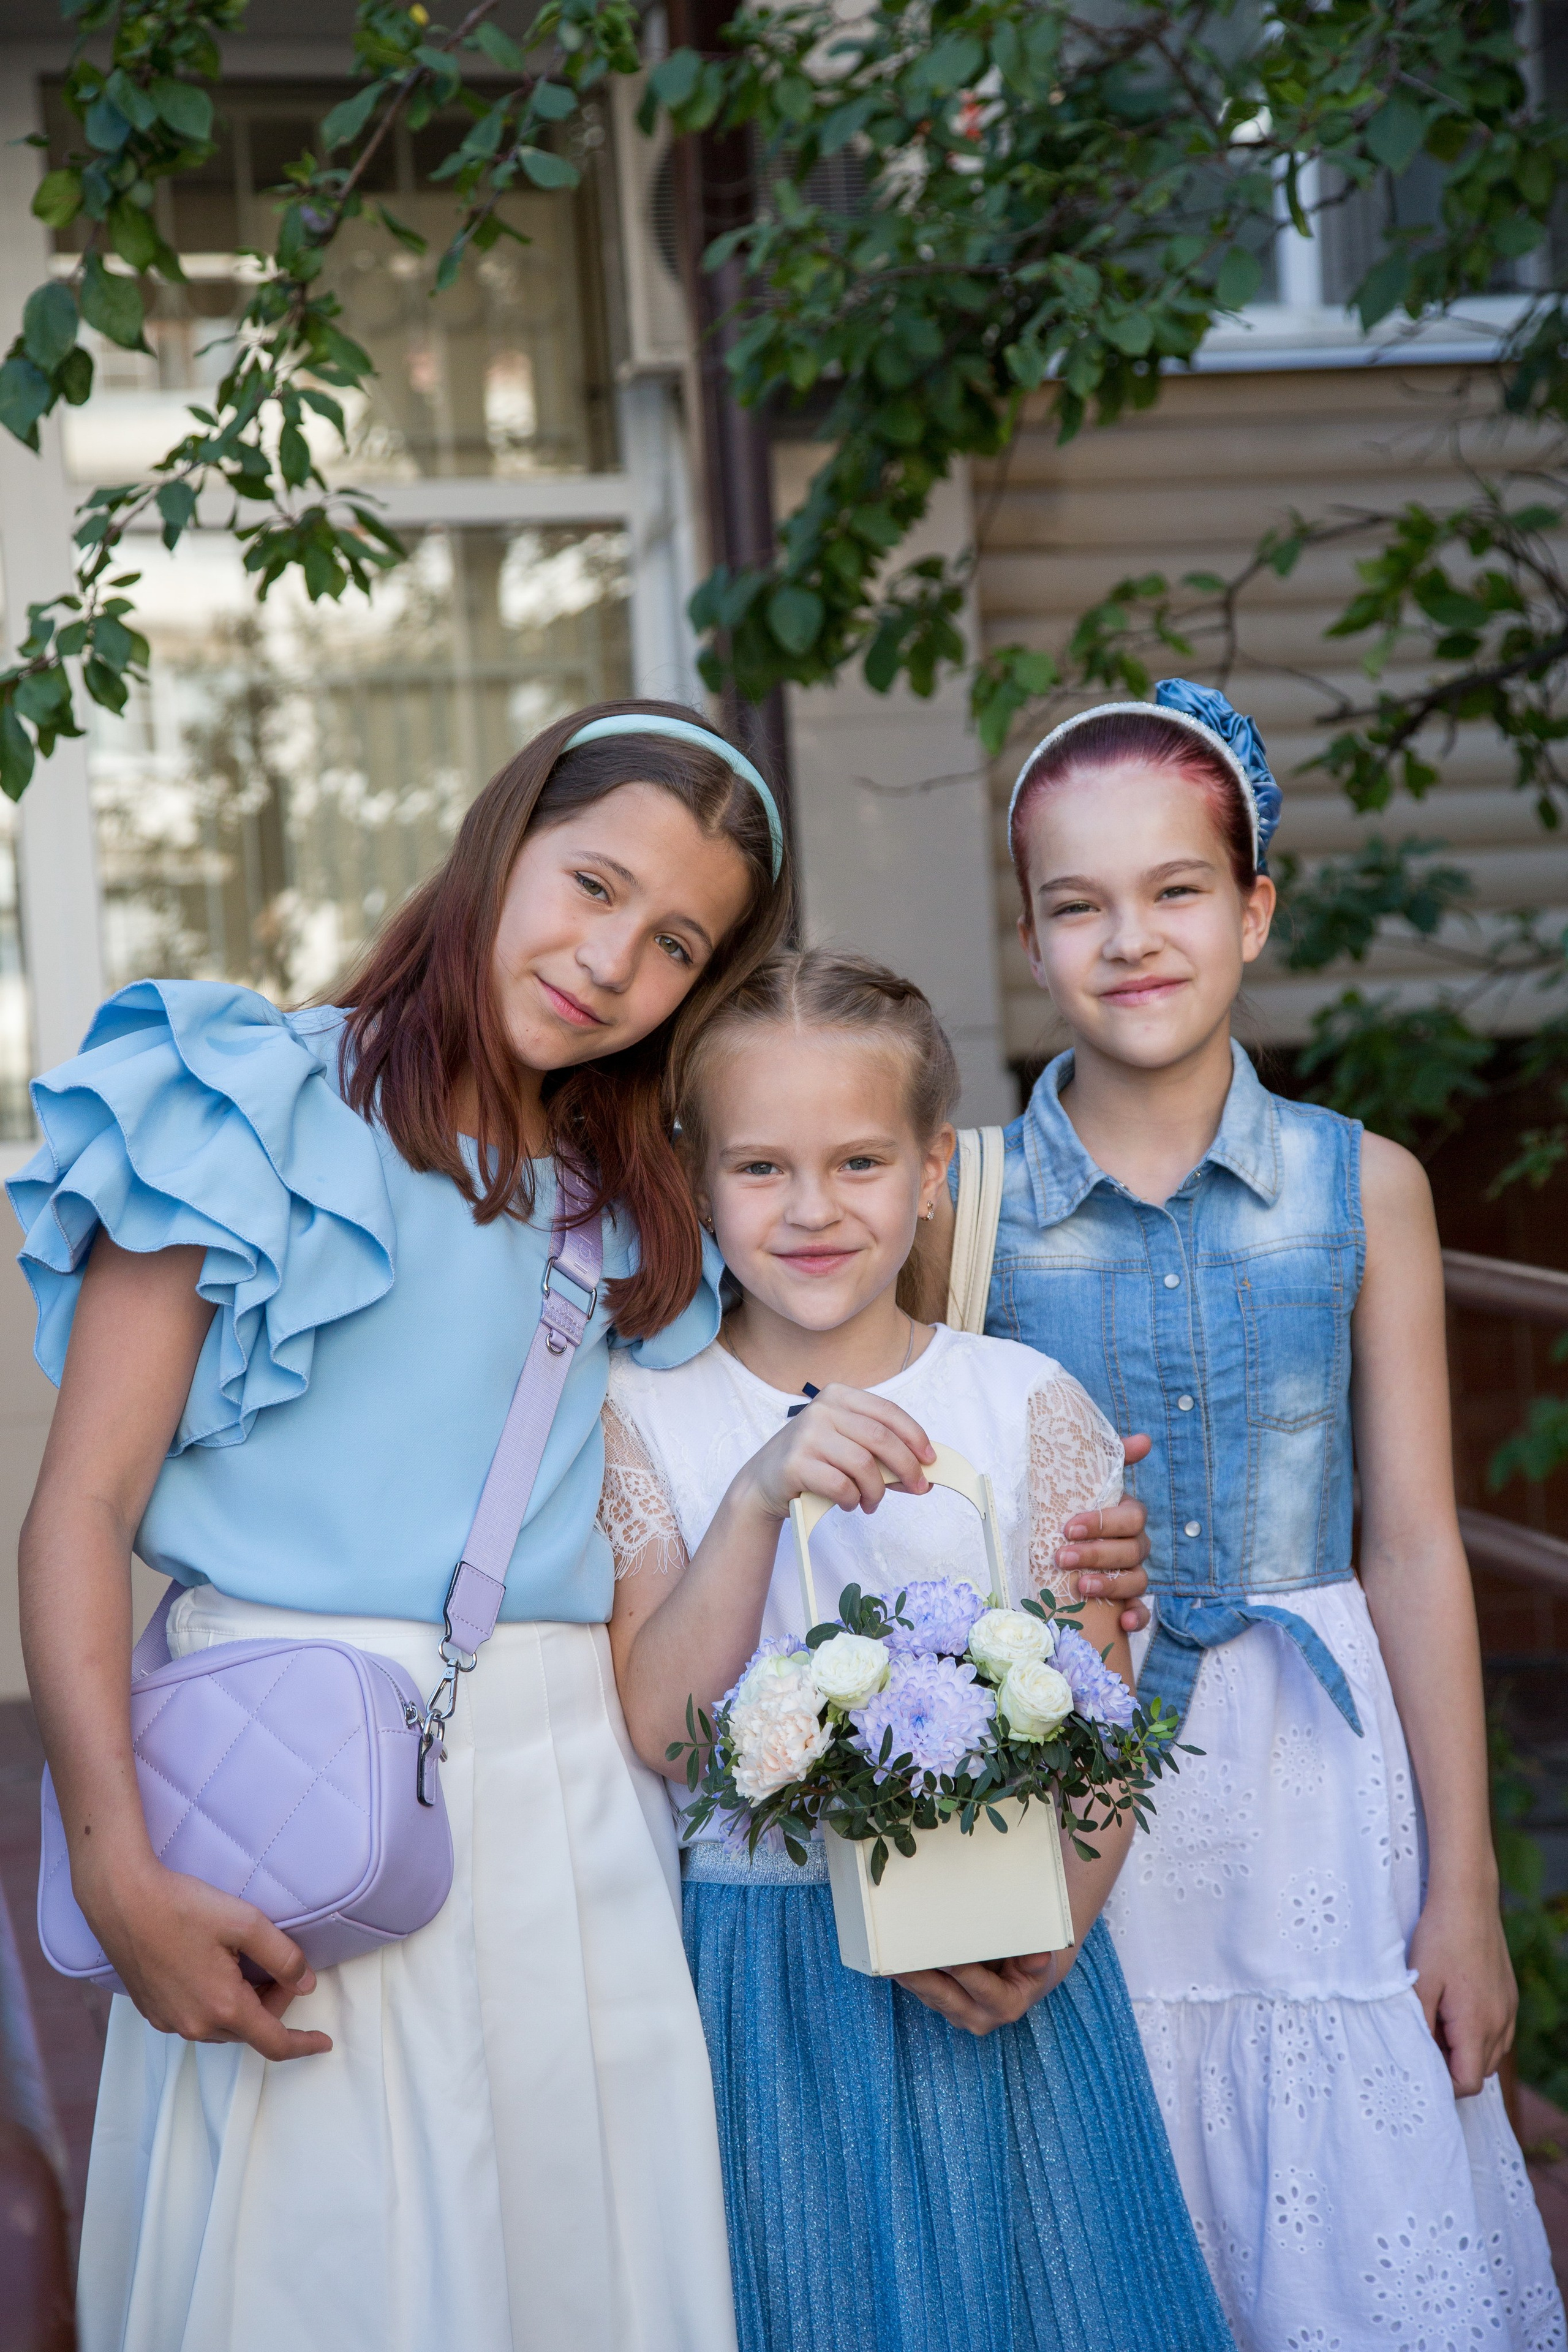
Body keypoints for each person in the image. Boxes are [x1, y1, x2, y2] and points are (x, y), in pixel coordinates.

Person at [10, 701, 796, 2352]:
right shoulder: (243, 1106)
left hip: (575, 1816)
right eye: (589, 885)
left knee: (578, 2267)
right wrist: (110, 1866)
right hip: (289, 1787)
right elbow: (79, 1508)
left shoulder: (637, 1205)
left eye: (672, 945)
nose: (608, 961)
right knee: (325, 2267)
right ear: (503, 840)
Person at [938, 680, 1562, 2350]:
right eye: (1078, 905)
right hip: (1081, 1770)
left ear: (1255, 908)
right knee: (1120, 2151)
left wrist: (1467, 1889)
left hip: (1313, 1773)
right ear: (1030, 935)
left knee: (1343, 2204)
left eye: (1177, 890)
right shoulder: (965, 1205)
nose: (1129, 938)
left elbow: (1417, 1543)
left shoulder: (1368, 1188)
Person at [600, 948, 1237, 2352]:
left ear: (932, 1170)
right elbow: (659, 1731)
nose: (813, 1209)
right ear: (696, 1176)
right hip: (763, 1982)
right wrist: (759, 1498)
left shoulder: (1021, 1404)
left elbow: (1097, 1711)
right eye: (761, 1168)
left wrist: (1054, 1932)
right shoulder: (650, 1420)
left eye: (859, 1162)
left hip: (1002, 1956)